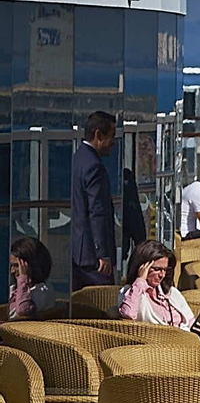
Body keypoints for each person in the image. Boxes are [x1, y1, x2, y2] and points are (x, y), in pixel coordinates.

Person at [118, 240, 200, 347]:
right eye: (157, 269)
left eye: (165, 270)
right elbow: (128, 314)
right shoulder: (131, 292)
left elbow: (189, 322)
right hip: (162, 346)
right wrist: (140, 280)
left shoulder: (171, 293)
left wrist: (198, 325)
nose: (162, 275)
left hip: (187, 340)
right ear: (142, 268)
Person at [70, 111, 117, 290]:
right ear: (98, 135)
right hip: (94, 257)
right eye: (111, 136)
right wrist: (103, 253)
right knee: (104, 303)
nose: (113, 142)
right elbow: (97, 212)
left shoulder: (78, 158)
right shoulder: (94, 166)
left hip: (78, 252)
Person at [8, 236, 62, 320]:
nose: (12, 271)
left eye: (17, 266)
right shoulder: (13, 288)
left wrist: (23, 278)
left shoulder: (42, 291)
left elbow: (23, 310)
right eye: (11, 266)